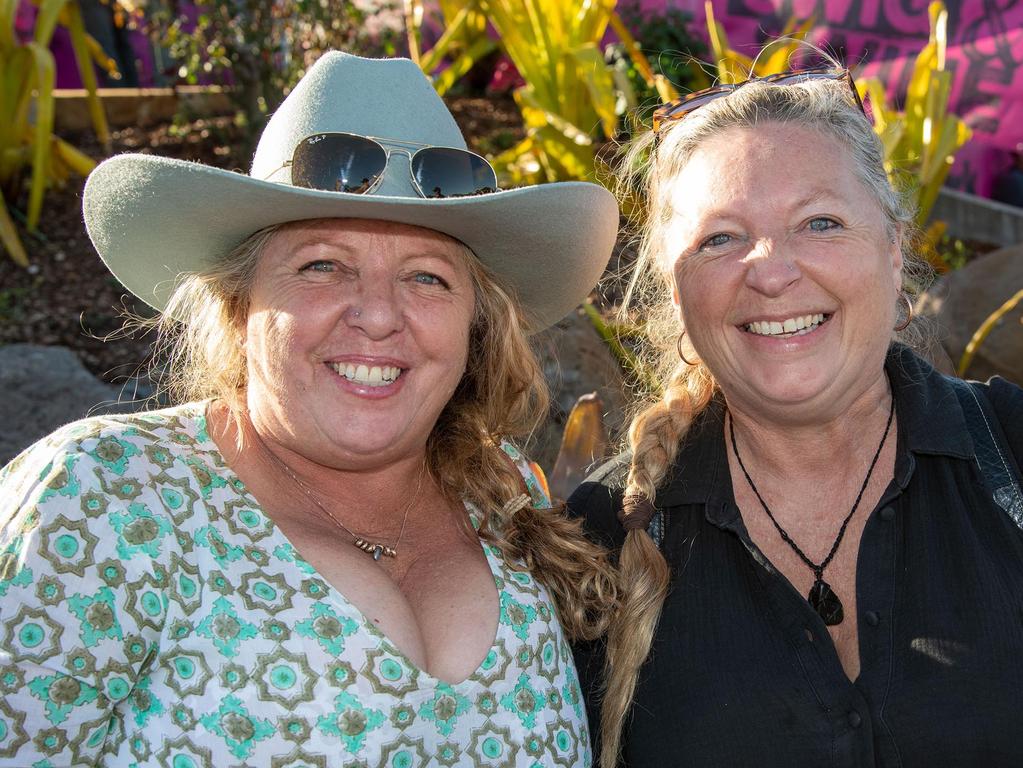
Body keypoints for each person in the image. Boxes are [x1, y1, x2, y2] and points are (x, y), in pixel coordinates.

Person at [0, 52, 620, 765]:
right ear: (237, 306)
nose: (379, 316)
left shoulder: (506, 495)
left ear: (475, 325)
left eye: (426, 277)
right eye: (322, 265)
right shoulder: (108, 498)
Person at [570, 66, 1023, 767]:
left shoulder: (1013, 454)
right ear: (673, 284)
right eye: (720, 238)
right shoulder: (598, 539)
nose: (771, 270)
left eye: (819, 223)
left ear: (893, 249)